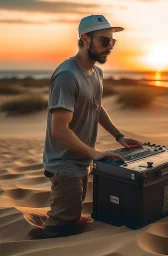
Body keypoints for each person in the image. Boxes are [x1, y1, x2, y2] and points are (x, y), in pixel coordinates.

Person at [42, 14, 142, 237]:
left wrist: (119, 136)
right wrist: (94, 153)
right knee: (59, 230)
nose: (110, 47)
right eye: (105, 41)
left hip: (81, 161)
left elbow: (95, 107)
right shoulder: (67, 76)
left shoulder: (97, 73)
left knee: (72, 218)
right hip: (64, 164)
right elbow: (58, 130)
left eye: (113, 42)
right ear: (86, 40)